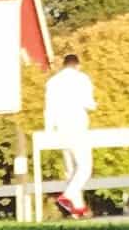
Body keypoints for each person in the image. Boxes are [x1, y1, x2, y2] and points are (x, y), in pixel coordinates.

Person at [41, 54, 97, 215]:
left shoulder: (52, 82)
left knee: (71, 169)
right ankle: (68, 196)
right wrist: (93, 105)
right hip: (77, 125)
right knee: (85, 167)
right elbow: (88, 103)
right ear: (78, 65)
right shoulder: (82, 79)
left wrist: (49, 130)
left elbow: (48, 109)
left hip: (60, 128)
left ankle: (77, 208)